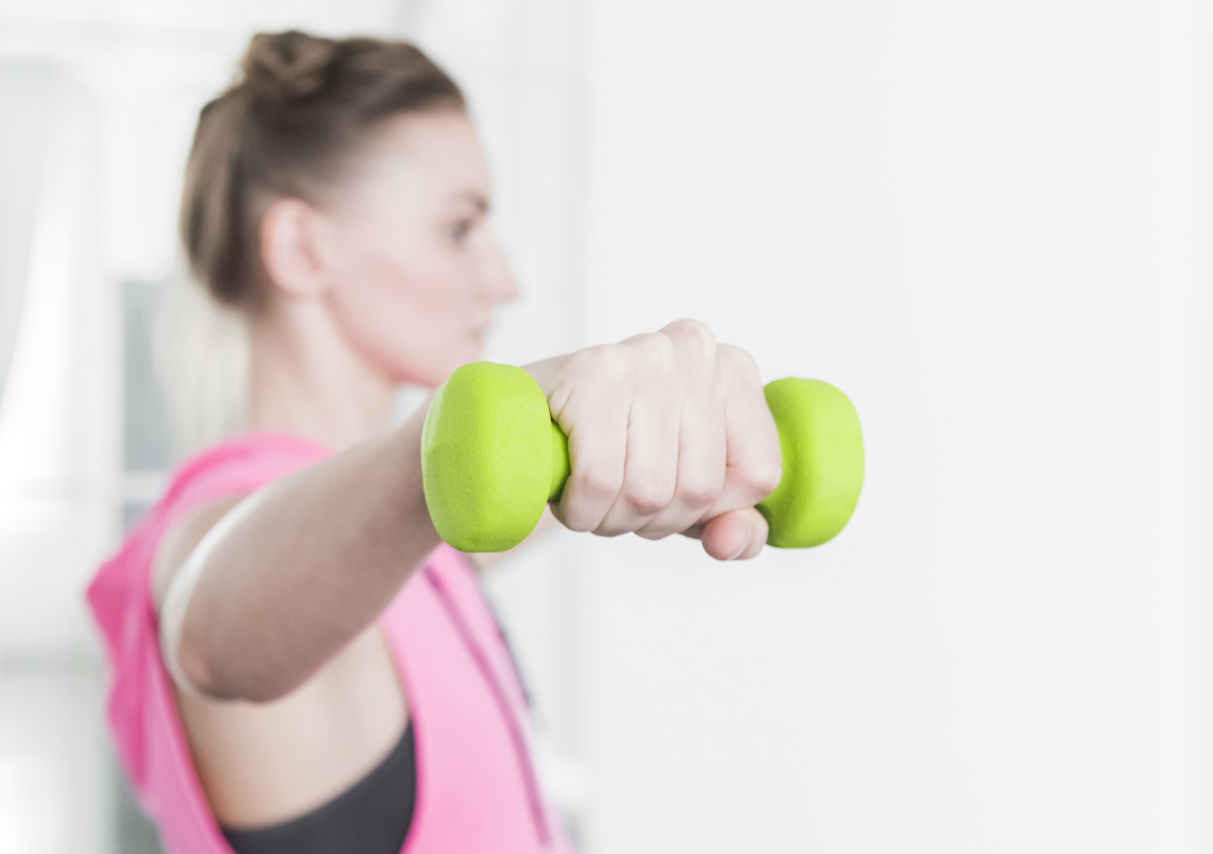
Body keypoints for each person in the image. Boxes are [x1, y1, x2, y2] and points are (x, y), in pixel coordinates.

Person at [84, 29, 783, 854]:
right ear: (303, 249)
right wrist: (480, 425)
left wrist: (679, 446)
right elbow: (213, 636)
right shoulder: (219, 536)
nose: (505, 281)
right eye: (458, 229)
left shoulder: (404, 545)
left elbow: (502, 500)